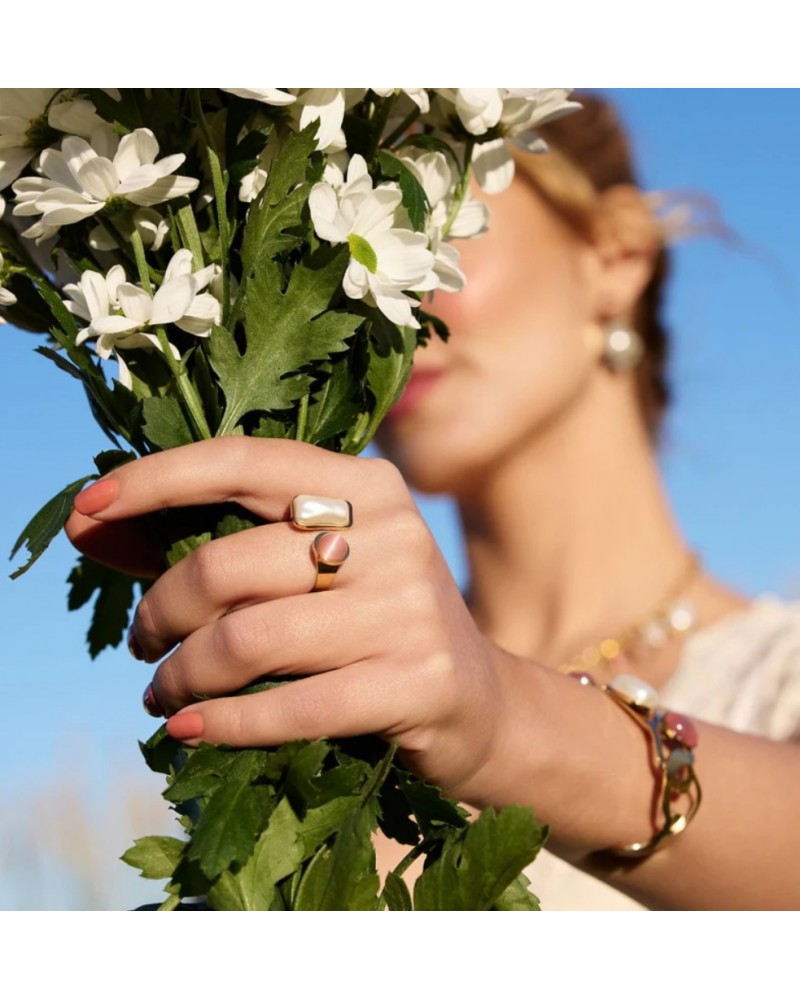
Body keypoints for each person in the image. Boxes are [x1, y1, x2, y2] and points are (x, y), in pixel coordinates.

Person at [65, 94, 800, 910]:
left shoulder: (780, 677)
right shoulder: (319, 707)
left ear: (614, 256)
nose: (385, 300)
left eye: (429, 224)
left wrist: (502, 722)